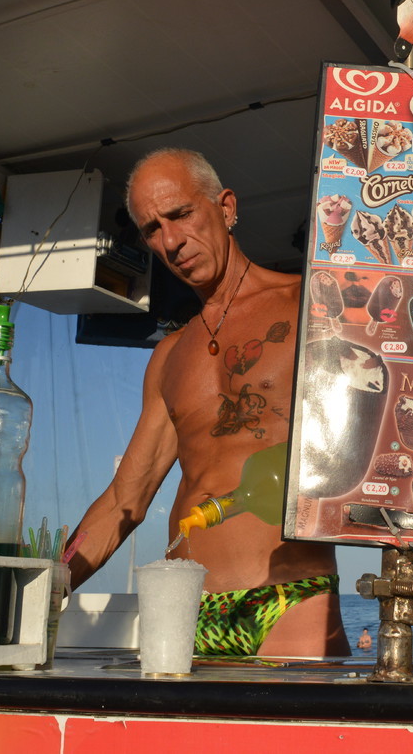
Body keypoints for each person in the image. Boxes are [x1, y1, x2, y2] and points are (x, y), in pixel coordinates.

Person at [63, 148, 347, 658]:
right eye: (152, 229)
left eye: (180, 214)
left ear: (226, 207)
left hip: (286, 597)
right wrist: (47, 587)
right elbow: (124, 500)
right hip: (185, 606)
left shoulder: (311, 306)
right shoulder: (169, 355)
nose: (171, 241)